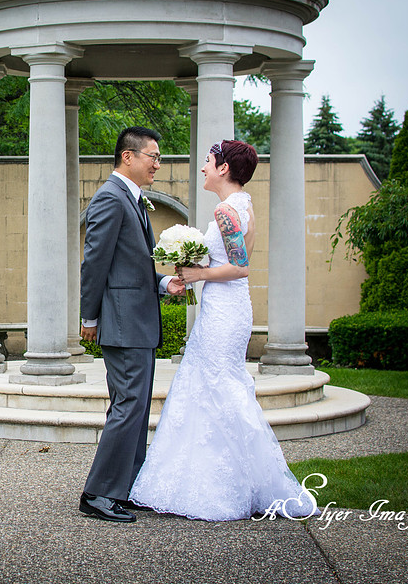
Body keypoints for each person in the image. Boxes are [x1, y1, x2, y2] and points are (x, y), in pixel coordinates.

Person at [129, 140, 317, 521]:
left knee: (218, 386)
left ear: (224, 168)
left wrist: (197, 273)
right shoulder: (242, 205)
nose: (203, 168)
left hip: (225, 312)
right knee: (210, 387)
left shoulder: (226, 210)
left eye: (208, 162)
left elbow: (240, 267)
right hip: (226, 307)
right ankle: (221, 478)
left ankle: (222, 487)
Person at [79, 126, 185, 523]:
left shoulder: (133, 199)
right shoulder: (111, 197)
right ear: (128, 156)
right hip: (124, 324)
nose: (157, 164)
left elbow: (130, 266)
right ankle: (98, 494)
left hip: (138, 322)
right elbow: (95, 263)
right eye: (152, 157)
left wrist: (162, 282)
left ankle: (126, 488)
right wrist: (90, 317)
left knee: (136, 408)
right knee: (128, 406)